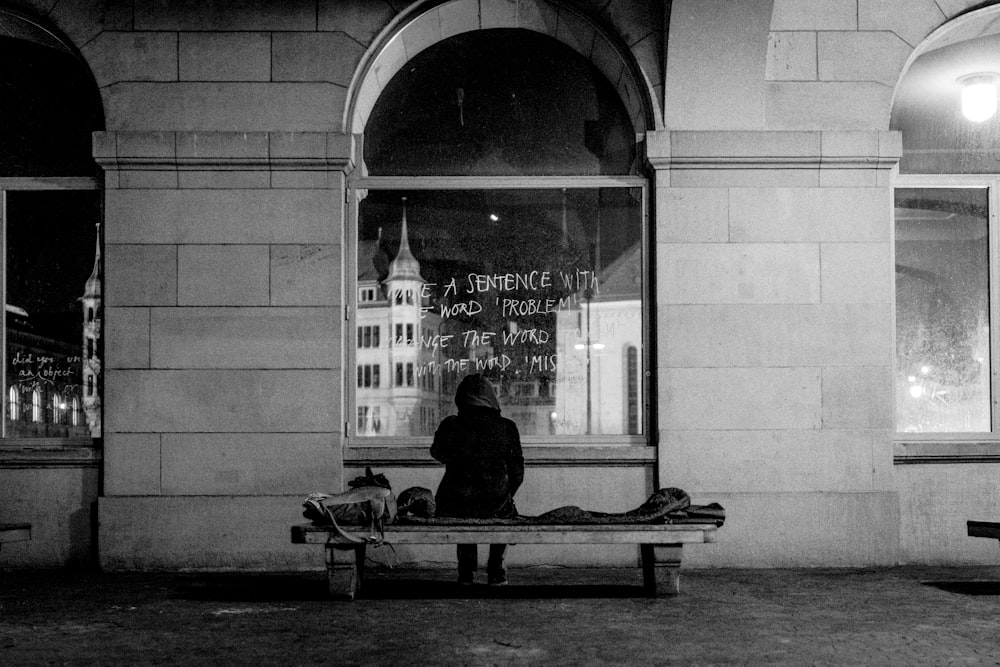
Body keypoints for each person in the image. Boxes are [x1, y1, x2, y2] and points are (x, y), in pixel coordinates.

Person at [431, 373, 524, 586]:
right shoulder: (507, 427)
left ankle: (466, 573)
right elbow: (517, 471)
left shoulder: (451, 424)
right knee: (504, 513)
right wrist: (507, 494)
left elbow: (437, 452)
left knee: (461, 512)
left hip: (457, 501)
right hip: (495, 500)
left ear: (461, 398)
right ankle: (496, 571)